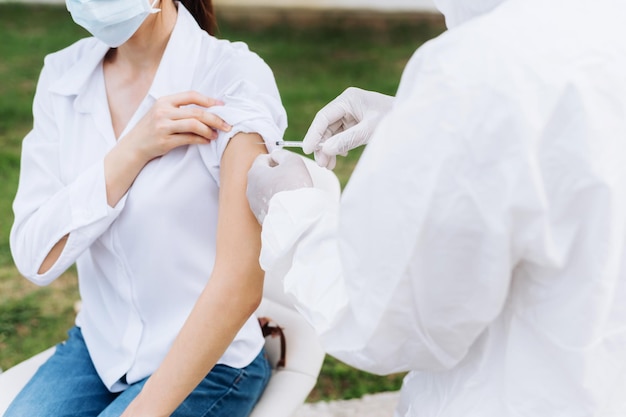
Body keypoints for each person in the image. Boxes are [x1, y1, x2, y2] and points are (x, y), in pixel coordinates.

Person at [246, 0, 626, 415]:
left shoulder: (480, 68)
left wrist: (296, 214)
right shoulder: (604, 27)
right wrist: (416, 120)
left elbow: (389, 324)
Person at [7, 0, 287, 415]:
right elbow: (35, 257)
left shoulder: (232, 79)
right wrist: (131, 152)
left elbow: (240, 285)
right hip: (99, 350)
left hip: (211, 363)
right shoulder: (63, 76)